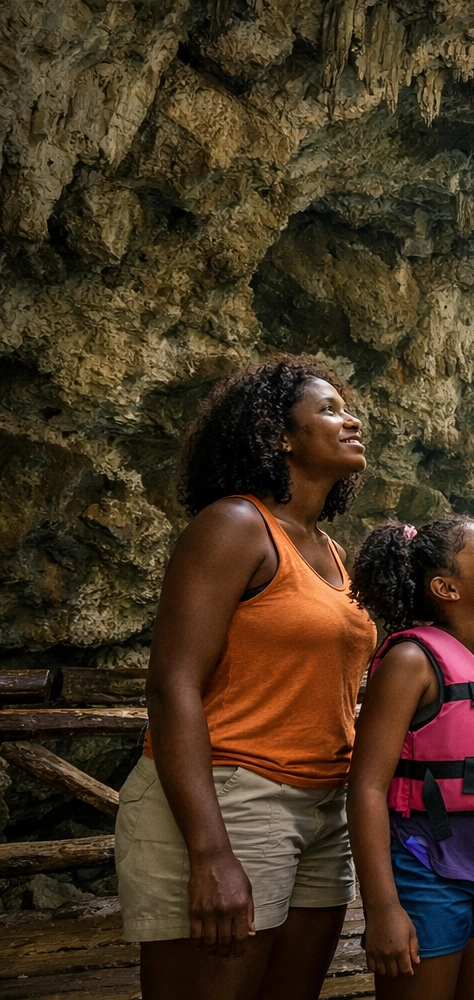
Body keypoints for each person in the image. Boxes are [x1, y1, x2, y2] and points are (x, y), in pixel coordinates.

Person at [116, 356, 377, 1000]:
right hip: (234, 796)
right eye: (330, 410)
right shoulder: (235, 526)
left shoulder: (328, 549)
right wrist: (210, 852)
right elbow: (171, 684)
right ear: (277, 434)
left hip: (322, 807)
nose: (352, 420)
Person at [347, 516, 474, 1000]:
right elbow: (367, 787)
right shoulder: (411, 662)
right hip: (427, 871)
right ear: (446, 587)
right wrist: (382, 910)